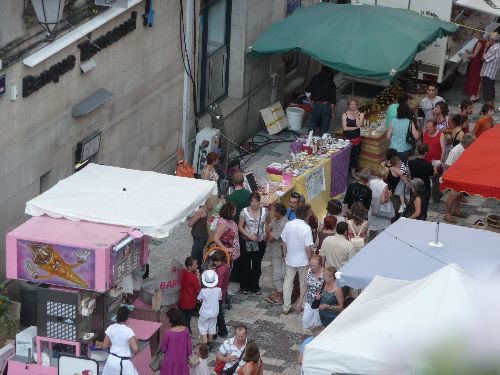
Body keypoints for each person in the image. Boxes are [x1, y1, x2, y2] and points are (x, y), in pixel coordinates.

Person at [281, 204, 314, 314]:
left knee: (287, 283)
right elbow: (307, 247)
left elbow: (284, 242)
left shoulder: (288, 224)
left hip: (290, 258)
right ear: (306, 215)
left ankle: (286, 306)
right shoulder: (306, 228)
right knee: (303, 283)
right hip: (303, 260)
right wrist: (310, 259)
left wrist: (285, 255)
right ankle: (303, 304)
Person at [238, 192, 269, 295]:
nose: (254, 204)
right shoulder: (244, 212)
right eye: (252, 202)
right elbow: (240, 226)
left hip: (260, 241)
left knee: (257, 264)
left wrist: (266, 234)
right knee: (246, 264)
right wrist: (248, 235)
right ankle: (244, 286)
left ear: (259, 202)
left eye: (256, 202)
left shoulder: (265, 211)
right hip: (246, 241)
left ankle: (255, 286)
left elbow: (268, 223)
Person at [98, 306, 139, 375]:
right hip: (123, 362)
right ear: (127, 318)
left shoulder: (110, 328)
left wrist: (99, 345)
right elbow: (135, 349)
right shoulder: (128, 331)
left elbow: (104, 346)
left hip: (111, 360)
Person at [443, 134, 475, 224]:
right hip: (455, 178)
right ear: (467, 143)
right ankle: (448, 214)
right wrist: (453, 177)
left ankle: (456, 210)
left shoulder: (466, 148)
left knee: (459, 195)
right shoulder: (455, 150)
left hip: (462, 177)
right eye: (471, 143)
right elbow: (447, 165)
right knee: (452, 196)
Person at [265, 203, 288, 304]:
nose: (272, 212)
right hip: (274, 251)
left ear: (278, 213)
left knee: (278, 274)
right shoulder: (277, 220)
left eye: (274, 210)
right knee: (275, 273)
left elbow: (270, 237)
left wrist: (267, 231)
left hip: (279, 253)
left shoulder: (283, 223)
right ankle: (277, 292)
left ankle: (280, 297)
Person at [305, 65, 337, 135]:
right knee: (324, 126)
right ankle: (321, 142)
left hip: (316, 105)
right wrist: (333, 112)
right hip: (326, 106)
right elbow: (332, 101)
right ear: (330, 73)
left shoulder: (314, 78)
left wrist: (311, 103)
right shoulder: (331, 83)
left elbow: (307, 92)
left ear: (322, 70)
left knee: (312, 123)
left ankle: (309, 140)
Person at [160, 308, 192, 375]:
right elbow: (189, 348)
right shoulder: (186, 330)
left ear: (171, 319)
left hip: (169, 361)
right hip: (182, 360)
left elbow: (163, 348)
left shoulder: (168, 333)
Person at [296, 254, 324, 328]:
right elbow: (305, 287)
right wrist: (300, 302)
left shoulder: (325, 274)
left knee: (318, 324)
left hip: (320, 302)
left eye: (314, 265)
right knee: (306, 321)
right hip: (309, 300)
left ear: (320, 265)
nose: (311, 267)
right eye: (310, 265)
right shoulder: (308, 271)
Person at [408, 143, 434, 219]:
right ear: (426, 152)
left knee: (413, 205)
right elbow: (432, 175)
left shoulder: (411, 163)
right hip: (424, 189)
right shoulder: (428, 165)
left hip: (414, 187)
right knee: (424, 207)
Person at [197, 270, 222, 348]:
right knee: (212, 327)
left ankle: (205, 342)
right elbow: (219, 298)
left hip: (204, 313)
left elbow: (199, 298)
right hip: (214, 312)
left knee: (202, 326)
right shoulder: (218, 290)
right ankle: (210, 342)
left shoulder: (203, 291)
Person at [188, 196, 215, 269]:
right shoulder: (203, 211)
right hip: (202, 236)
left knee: (194, 256)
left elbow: (190, 224)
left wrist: (190, 219)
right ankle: (199, 269)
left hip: (199, 237)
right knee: (199, 255)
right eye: (211, 204)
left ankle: (193, 270)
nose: (211, 205)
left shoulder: (201, 211)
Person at [422, 119, 445, 202]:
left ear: (435, 127)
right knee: (426, 179)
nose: (428, 129)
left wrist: (440, 162)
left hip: (436, 164)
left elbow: (443, 150)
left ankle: (436, 196)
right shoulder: (425, 134)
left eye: (430, 127)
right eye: (427, 127)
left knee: (436, 180)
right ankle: (427, 194)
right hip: (426, 163)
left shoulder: (440, 135)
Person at [178, 256, 201, 334]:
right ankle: (188, 335)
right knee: (187, 321)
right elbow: (198, 289)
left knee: (183, 320)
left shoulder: (182, 272)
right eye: (195, 265)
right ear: (189, 266)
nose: (197, 266)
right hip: (189, 303)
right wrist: (198, 277)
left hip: (181, 300)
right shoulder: (193, 277)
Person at [342, 97, 364, 178]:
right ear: (348, 105)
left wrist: (356, 116)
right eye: (351, 104)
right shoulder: (345, 114)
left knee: (355, 157)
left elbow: (359, 125)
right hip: (346, 140)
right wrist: (354, 128)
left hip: (356, 140)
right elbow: (345, 128)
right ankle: (345, 172)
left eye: (355, 104)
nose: (353, 106)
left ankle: (353, 173)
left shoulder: (361, 114)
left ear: (357, 105)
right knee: (346, 156)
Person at [211, 251, 230, 338]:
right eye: (215, 261)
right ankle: (222, 331)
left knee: (217, 314)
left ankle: (218, 332)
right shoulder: (226, 267)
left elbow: (219, 284)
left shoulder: (221, 270)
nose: (215, 263)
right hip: (222, 293)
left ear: (222, 260)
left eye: (217, 261)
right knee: (218, 313)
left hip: (218, 294)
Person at [464, 34, 488, 102]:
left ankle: (473, 97)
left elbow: (474, 55)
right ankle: (477, 95)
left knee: (473, 79)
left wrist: (466, 56)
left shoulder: (479, 42)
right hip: (480, 63)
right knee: (478, 79)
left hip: (475, 63)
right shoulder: (485, 42)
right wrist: (469, 52)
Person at [480, 32, 500, 107]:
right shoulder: (498, 47)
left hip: (487, 73)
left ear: (492, 40)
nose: (488, 40)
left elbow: (483, 58)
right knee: (491, 92)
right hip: (493, 73)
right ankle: (492, 108)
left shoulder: (493, 48)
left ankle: (489, 110)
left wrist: (485, 48)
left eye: (489, 39)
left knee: (487, 93)